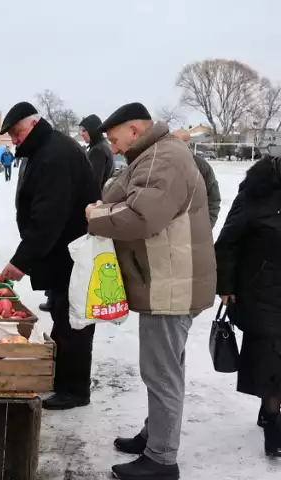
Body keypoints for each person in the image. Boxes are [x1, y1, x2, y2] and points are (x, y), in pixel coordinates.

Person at [86, 103, 216, 480]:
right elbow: (122, 195)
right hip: (166, 279)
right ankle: (154, 434)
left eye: (114, 139)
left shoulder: (164, 158)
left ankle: (161, 459)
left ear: (134, 129)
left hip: (170, 283)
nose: (112, 147)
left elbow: (141, 216)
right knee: (163, 369)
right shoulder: (154, 154)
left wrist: (96, 218)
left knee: (161, 374)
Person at [0, 101, 101, 411]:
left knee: (73, 321)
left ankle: (74, 390)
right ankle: (64, 381)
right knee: (62, 317)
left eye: (17, 133)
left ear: (33, 124)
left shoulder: (55, 155)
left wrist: (21, 261)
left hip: (72, 253)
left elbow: (49, 218)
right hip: (63, 254)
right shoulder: (47, 149)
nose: (15, 141)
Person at [215, 156, 281, 457]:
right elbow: (227, 242)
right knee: (269, 357)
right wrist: (226, 286)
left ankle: (269, 408)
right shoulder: (255, 193)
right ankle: (273, 424)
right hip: (261, 288)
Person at [172, 129, 221, 228]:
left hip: (193, 229)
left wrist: (207, 226)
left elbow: (213, 199)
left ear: (187, 143)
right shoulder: (159, 164)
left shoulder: (201, 166)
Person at [79, 114, 114, 189]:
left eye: (84, 130)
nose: (81, 134)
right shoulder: (103, 145)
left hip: (96, 199)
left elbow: (92, 183)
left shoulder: (98, 150)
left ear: (93, 130)